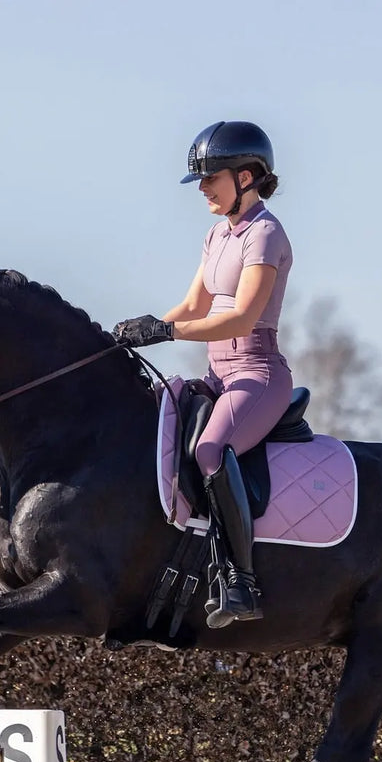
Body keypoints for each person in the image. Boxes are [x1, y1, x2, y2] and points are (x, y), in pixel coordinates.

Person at [113, 120, 294, 629]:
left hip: (257, 375)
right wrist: (134, 332)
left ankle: (241, 582)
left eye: (211, 178)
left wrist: (166, 332)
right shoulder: (217, 235)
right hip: (218, 373)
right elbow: (195, 305)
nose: (203, 189)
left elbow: (241, 318)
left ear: (246, 177)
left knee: (211, 450)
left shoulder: (265, 234)